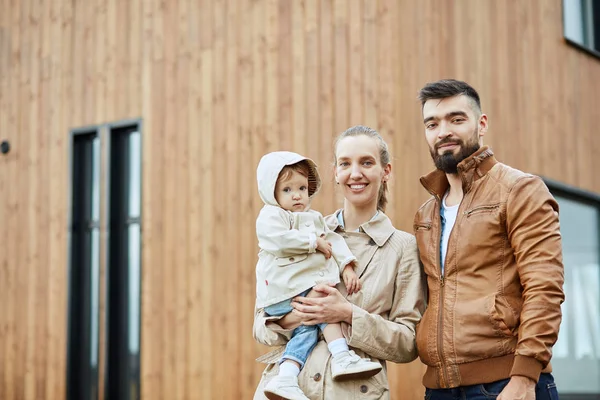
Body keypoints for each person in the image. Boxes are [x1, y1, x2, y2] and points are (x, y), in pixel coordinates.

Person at [414, 79, 565, 400]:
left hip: (505, 382)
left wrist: (525, 376)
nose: (443, 132)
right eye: (432, 123)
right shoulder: (426, 214)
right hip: (439, 389)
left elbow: (545, 287)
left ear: (481, 124)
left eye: (456, 119)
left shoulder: (519, 190)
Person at [253, 126, 426, 400]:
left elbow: (408, 343)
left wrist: (347, 314)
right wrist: (297, 317)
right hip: (283, 389)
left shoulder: (403, 248)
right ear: (335, 173)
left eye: (366, 163)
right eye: (345, 163)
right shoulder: (296, 233)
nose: (355, 173)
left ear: (386, 171)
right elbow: (260, 326)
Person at [255, 151, 383, 400]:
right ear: (271, 193)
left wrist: (346, 266)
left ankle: (286, 377)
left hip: (298, 293)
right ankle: (342, 355)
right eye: (287, 190)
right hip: (283, 293)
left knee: (308, 331)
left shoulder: (312, 219)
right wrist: (313, 242)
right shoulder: (272, 216)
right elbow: (278, 240)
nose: (297, 195)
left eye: (302, 188)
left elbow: (333, 240)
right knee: (322, 295)